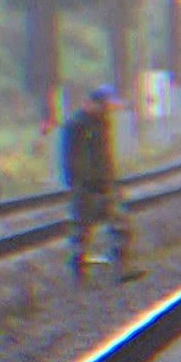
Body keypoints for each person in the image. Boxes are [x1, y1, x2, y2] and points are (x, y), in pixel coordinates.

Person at [60, 84, 134, 283]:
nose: (107, 110)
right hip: (85, 188)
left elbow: (105, 156)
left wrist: (111, 181)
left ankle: (120, 270)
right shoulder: (77, 125)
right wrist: (78, 182)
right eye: (105, 106)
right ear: (94, 103)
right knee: (81, 233)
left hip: (105, 185)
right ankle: (79, 273)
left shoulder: (102, 123)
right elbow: (70, 158)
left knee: (121, 227)